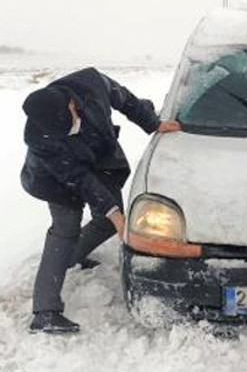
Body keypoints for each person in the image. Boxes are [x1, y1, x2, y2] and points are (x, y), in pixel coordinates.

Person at [20, 67, 180, 334]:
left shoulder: (92, 83)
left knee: (107, 222)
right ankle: (45, 312)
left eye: (69, 124)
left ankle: (71, 257)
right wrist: (113, 211)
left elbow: (125, 100)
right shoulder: (40, 137)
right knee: (66, 227)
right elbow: (78, 177)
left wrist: (152, 123)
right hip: (55, 179)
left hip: (97, 161)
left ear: (72, 103)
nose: (70, 131)